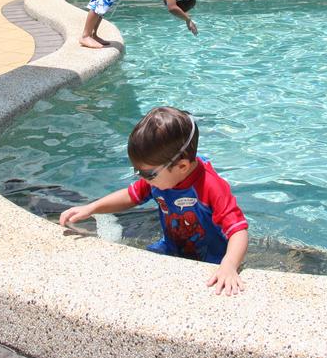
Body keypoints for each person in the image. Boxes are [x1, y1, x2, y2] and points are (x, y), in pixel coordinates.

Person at [59, 107, 249, 295]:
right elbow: (130, 196)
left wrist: (229, 265)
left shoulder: (210, 186)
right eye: (138, 172)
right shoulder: (157, 180)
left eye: (147, 173)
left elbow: (238, 230)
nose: (142, 178)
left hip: (212, 259)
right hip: (170, 247)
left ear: (182, 166)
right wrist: (92, 207)